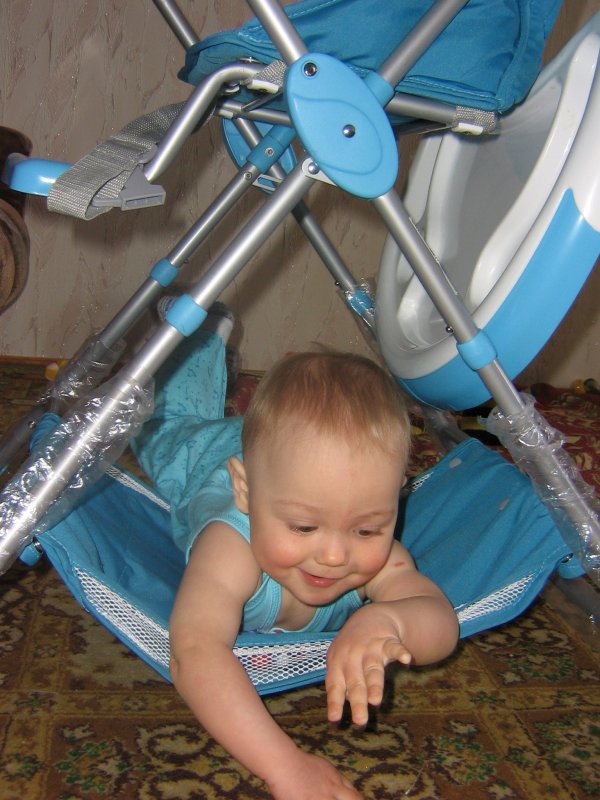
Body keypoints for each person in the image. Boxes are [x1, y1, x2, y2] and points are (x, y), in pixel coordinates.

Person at [133, 309, 458, 800]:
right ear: (247, 493)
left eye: (367, 528)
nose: (335, 555)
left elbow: (439, 620)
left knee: (276, 457)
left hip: (281, 468)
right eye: (304, 527)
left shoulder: (378, 559)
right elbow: (195, 649)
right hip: (206, 459)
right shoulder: (231, 548)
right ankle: (193, 338)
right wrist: (285, 767)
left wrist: (389, 620)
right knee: (163, 430)